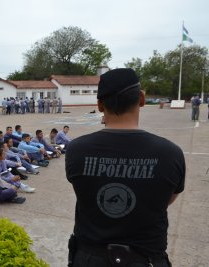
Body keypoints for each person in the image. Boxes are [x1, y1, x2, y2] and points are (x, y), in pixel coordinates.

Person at [65, 68, 185, 267]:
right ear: (142, 99)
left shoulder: (77, 149)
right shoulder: (170, 153)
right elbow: (166, 200)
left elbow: (86, 192)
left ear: (100, 105)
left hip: (89, 259)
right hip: (146, 260)